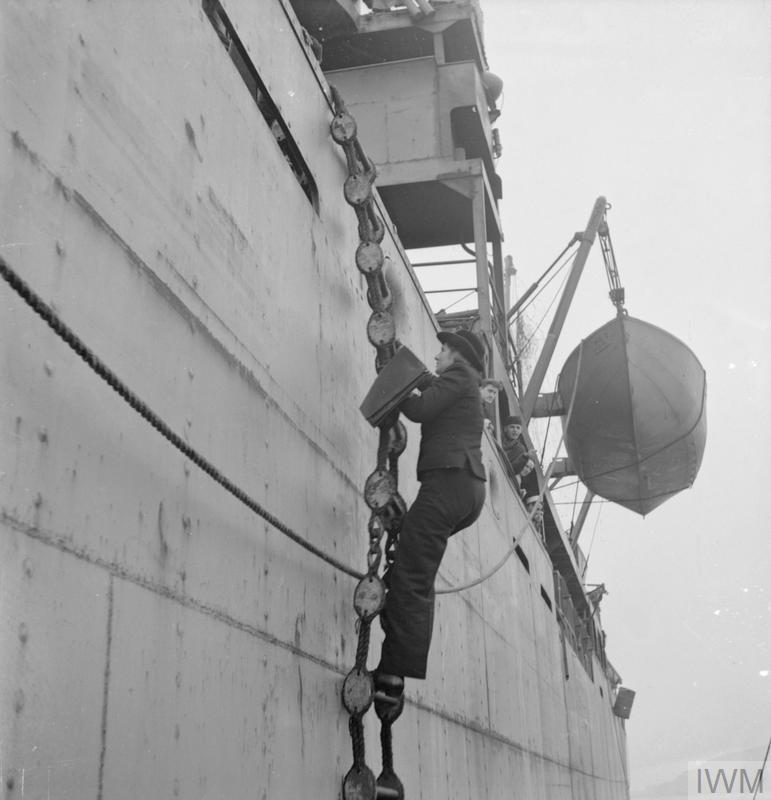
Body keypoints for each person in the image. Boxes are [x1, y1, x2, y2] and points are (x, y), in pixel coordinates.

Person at [375, 328, 487, 707]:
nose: (437, 356)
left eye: (442, 351)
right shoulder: (462, 383)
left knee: (412, 575)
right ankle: (397, 636)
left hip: (448, 484)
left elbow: (421, 410)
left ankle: (392, 677)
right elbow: (432, 393)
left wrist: (397, 381)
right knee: (415, 562)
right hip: (464, 491)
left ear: (456, 355)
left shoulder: (459, 375)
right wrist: (414, 376)